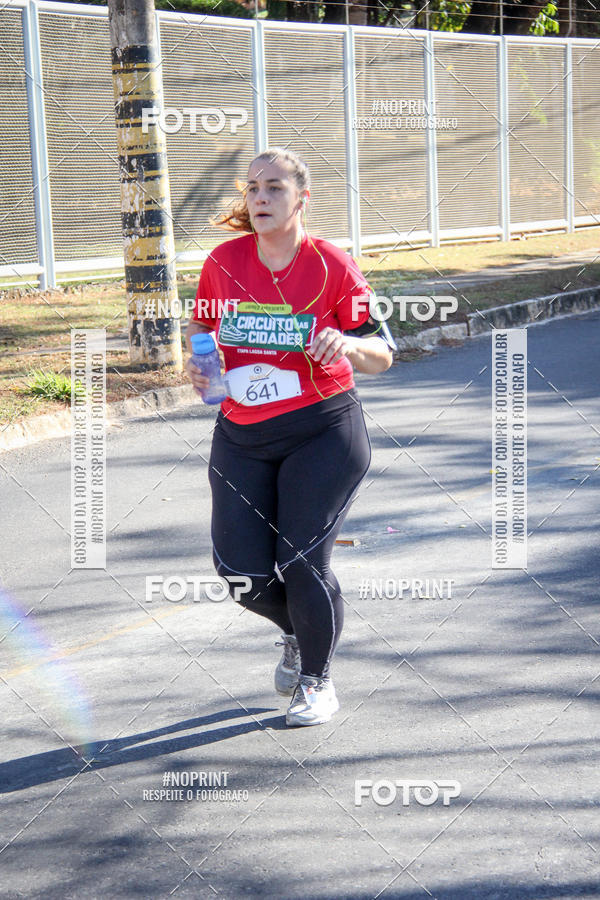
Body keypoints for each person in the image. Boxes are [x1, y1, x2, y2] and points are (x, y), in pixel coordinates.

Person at [185, 147, 396, 727]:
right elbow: (201, 325)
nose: (260, 198)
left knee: (301, 560)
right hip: (241, 433)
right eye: (253, 188)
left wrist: (347, 344)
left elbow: (383, 353)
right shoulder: (223, 262)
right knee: (241, 575)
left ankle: (316, 681)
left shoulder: (330, 264)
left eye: (274, 187)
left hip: (321, 430)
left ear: (301, 197)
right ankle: (297, 632)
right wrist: (198, 360)